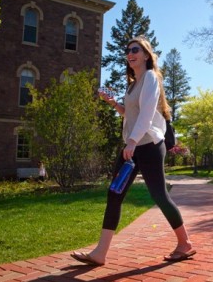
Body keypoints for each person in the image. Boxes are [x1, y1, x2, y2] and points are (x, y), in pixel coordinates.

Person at [71, 36, 195, 265]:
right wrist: (114, 104)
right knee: (114, 193)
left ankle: (184, 243)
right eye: (127, 50)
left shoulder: (150, 77)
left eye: (135, 49)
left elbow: (147, 113)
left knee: (159, 195)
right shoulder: (133, 84)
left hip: (148, 146)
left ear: (146, 55)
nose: (130, 53)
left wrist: (131, 142)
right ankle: (100, 253)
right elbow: (132, 115)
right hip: (133, 146)